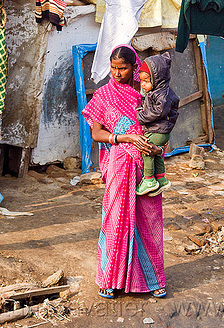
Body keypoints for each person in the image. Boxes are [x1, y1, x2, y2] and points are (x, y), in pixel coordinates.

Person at [81, 45, 167, 299]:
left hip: (146, 166)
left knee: (148, 220)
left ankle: (153, 280)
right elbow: (97, 134)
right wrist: (125, 137)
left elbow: (163, 125)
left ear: (134, 67)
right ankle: (110, 280)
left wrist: (155, 144)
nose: (117, 73)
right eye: (113, 68)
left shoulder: (147, 94)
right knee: (115, 220)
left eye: (123, 68)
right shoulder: (103, 95)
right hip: (119, 164)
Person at [136, 52, 179, 196]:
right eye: (141, 81)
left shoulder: (162, 95)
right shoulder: (157, 91)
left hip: (157, 131)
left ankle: (149, 180)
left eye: (146, 81)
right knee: (156, 155)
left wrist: (141, 116)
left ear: (157, 79)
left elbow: (158, 112)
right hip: (161, 131)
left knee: (147, 151)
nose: (143, 84)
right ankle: (161, 179)